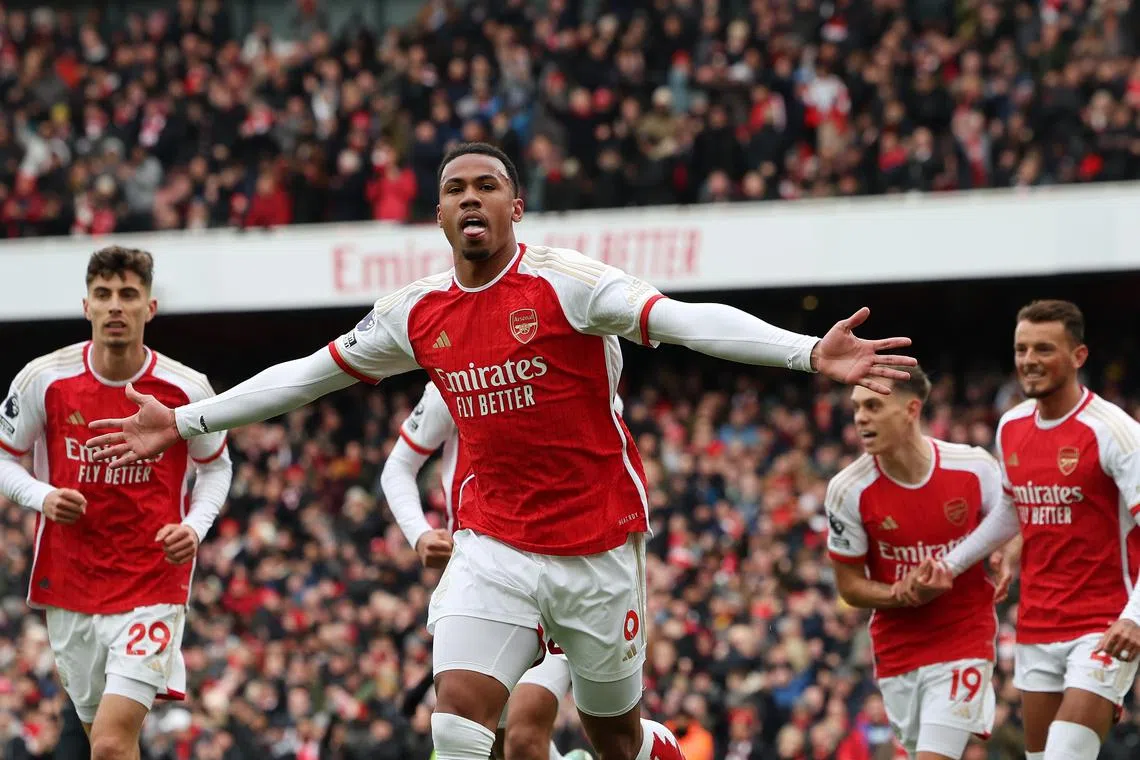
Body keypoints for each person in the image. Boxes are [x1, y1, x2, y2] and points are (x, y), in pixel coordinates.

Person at [84, 142, 914, 760]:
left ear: (516, 208)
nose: (471, 198)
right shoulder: (417, 313)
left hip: (597, 545)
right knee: (457, 719)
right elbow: (308, 376)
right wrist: (187, 422)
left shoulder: (566, 283)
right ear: (438, 216)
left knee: (613, 739)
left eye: (488, 186)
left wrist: (809, 352)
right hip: (493, 544)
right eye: (455, 190)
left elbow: (687, 319)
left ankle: (657, 745)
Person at [0, 247, 232, 760]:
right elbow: (4, 458)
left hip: (153, 579)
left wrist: (194, 527)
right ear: (87, 307)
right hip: (71, 583)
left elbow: (216, 466)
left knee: (108, 743)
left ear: (149, 307)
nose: (115, 307)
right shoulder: (45, 379)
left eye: (128, 295)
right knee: (103, 742)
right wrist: (42, 496)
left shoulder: (184, 388)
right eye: (103, 296)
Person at [909, 300, 1140, 760]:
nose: (1029, 360)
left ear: (1078, 357)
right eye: (1021, 349)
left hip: (1104, 624)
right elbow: (1012, 512)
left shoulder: (1113, 432)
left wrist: (1135, 617)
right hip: (1036, 624)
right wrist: (950, 565)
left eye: (1044, 349)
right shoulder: (1011, 426)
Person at [381, 379, 602, 760]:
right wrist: (419, 535)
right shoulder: (456, 381)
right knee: (493, 741)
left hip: (557, 573)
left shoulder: (570, 368)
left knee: (521, 735)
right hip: (482, 582)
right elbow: (398, 466)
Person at [825, 364, 1005, 760]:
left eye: (873, 405)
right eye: (857, 407)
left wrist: (1005, 556)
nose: (860, 418)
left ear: (911, 410)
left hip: (965, 637)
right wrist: (900, 592)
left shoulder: (974, 467)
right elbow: (849, 586)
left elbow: (1011, 523)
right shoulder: (847, 490)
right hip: (898, 650)